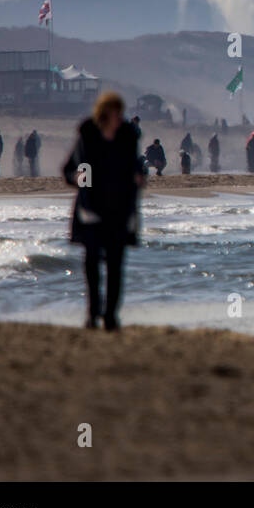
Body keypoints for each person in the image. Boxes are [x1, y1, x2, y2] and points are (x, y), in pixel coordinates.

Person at [63, 91, 145, 331]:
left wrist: (139, 177)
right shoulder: (88, 136)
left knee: (116, 266)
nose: (120, 117)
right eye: (115, 112)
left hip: (119, 211)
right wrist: (78, 178)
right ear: (104, 113)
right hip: (92, 211)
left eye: (121, 112)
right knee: (91, 266)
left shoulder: (128, 137)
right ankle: (92, 314)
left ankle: (110, 316)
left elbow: (136, 167)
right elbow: (73, 168)